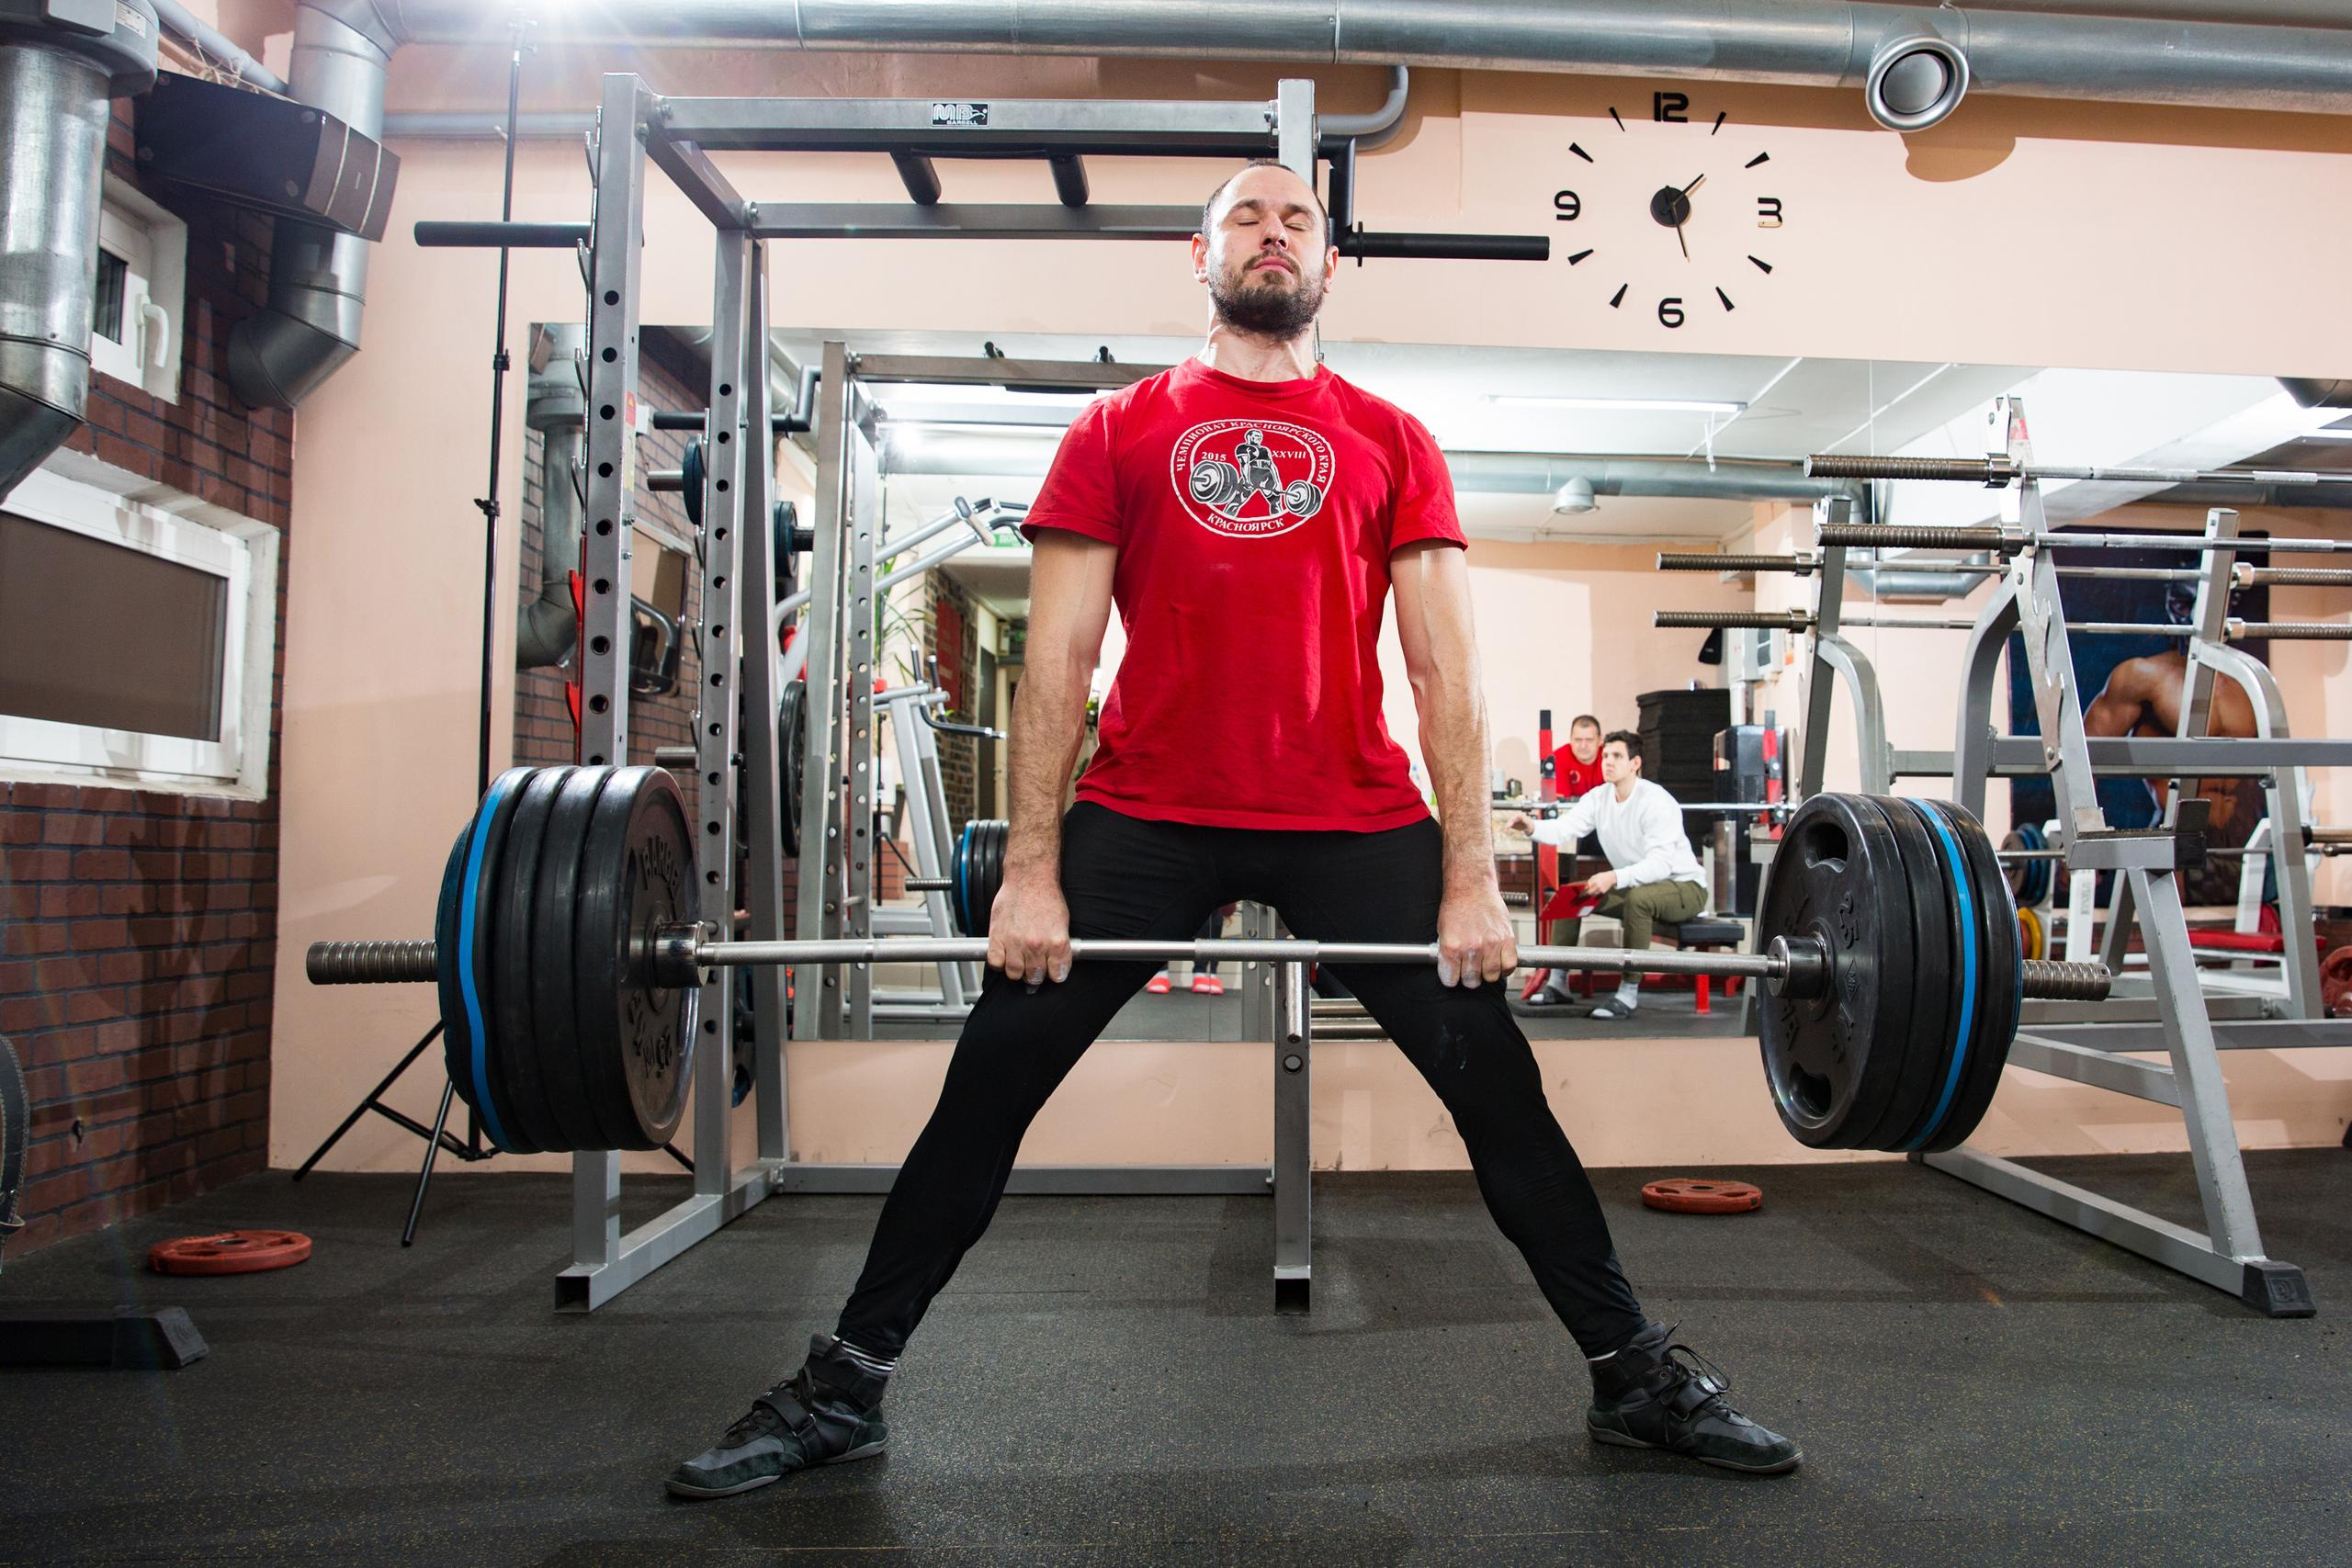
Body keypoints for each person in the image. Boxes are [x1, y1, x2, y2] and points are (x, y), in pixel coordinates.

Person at [666, 158, 1798, 1500]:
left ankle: (1633, 1373)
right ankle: (844, 1382)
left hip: (1350, 811)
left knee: (1498, 1082)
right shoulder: (1115, 430)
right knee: (993, 1077)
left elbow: (1447, 670)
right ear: (1197, 257)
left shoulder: (1392, 437)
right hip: (1146, 809)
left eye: (1298, 221)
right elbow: (1060, 660)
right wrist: (1028, 868)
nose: (1273, 236)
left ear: (1329, 266)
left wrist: (1463, 879)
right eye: (1246, 219)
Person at [1510, 731, 1708, 1021]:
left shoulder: (1655, 801)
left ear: (1635, 763)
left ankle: (1628, 993)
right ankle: (1558, 982)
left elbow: (1661, 864)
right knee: (1574, 894)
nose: (1608, 762)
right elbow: (1566, 827)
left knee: (1639, 900)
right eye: (1606, 756)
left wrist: (1614, 877)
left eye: (1617, 756)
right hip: (1639, 886)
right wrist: (1531, 828)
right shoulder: (1599, 797)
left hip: (1684, 888)